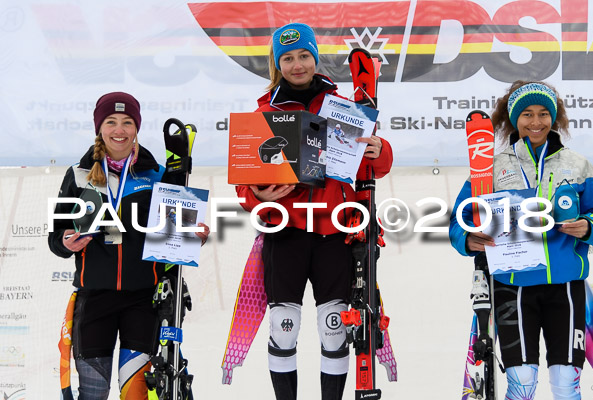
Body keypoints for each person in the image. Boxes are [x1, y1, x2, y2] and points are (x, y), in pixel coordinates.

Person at [235, 23, 393, 400]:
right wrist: (260, 195)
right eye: (287, 58)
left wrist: (378, 149)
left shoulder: (343, 106)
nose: (297, 65)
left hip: (334, 233)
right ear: (277, 63)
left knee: (334, 326)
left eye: (304, 55)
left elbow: (375, 167)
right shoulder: (264, 111)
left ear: (315, 58)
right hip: (285, 233)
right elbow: (245, 188)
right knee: (283, 325)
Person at [48, 92, 210, 399]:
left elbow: (172, 235)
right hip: (94, 298)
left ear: (136, 128)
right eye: (111, 122)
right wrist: (67, 244)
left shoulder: (157, 173)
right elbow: (56, 237)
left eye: (127, 122)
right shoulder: (78, 175)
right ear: (100, 127)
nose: (119, 130)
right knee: (92, 393)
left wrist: (193, 235)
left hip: (143, 299)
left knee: (137, 392)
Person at [449, 81, 593, 399]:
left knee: (566, 382)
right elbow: (460, 217)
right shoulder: (492, 167)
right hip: (512, 286)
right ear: (514, 119)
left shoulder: (578, 165)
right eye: (527, 114)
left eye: (544, 114)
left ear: (554, 118)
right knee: (522, 383)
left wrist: (588, 226)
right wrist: (467, 239)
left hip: (565, 286)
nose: (536, 122)